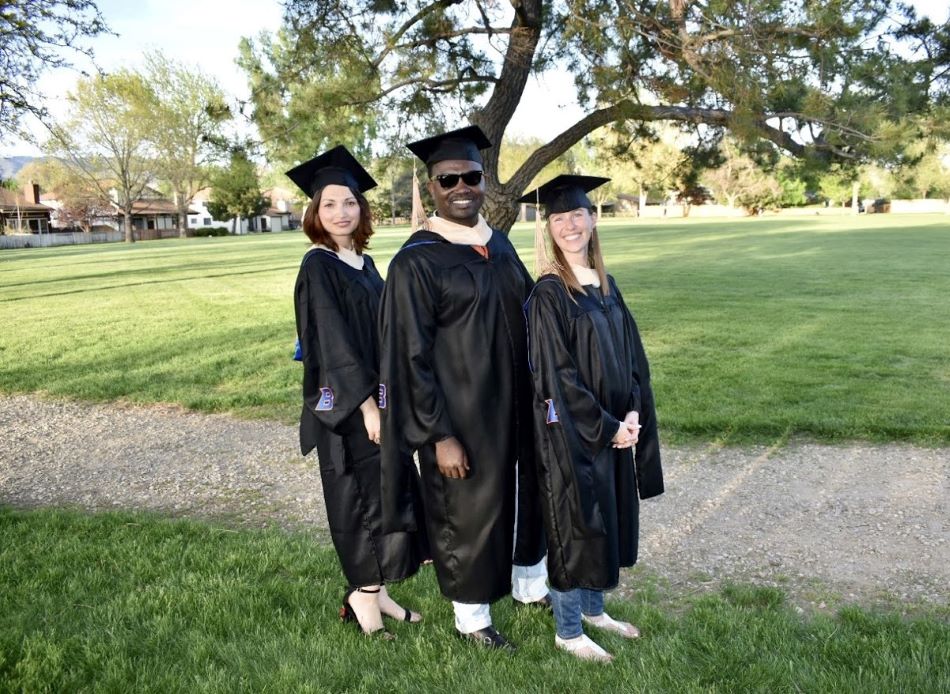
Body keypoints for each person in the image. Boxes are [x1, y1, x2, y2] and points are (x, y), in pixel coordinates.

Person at [378, 126, 548, 651]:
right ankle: (472, 619)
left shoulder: (497, 244)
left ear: (483, 181)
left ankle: (529, 586)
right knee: (467, 513)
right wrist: (437, 435)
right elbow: (409, 357)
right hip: (462, 417)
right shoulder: (417, 260)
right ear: (431, 187)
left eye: (471, 176)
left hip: (517, 408)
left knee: (524, 499)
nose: (461, 186)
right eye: (447, 178)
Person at [519, 175, 664, 662]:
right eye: (558, 218)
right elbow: (555, 377)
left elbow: (632, 358)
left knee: (608, 516)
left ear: (593, 219)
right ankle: (566, 630)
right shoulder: (548, 294)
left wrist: (633, 413)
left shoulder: (606, 284)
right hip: (571, 435)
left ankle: (594, 611)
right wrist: (607, 427)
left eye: (576, 214)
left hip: (616, 428)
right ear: (549, 229)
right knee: (574, 526)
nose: (569, 225)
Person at [287, 145, 428, 639]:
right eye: (329, 204)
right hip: (347, 409)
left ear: (361, 208)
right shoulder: (319, 266)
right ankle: (362, 597)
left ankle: (379, 590)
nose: (341, 212)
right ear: (315, 212)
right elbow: (332, 344)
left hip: (378, 401)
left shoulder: (363, 263)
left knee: (387, 492)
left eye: (349, 202)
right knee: (361, 501)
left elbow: (389, 325)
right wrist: (368, 405)